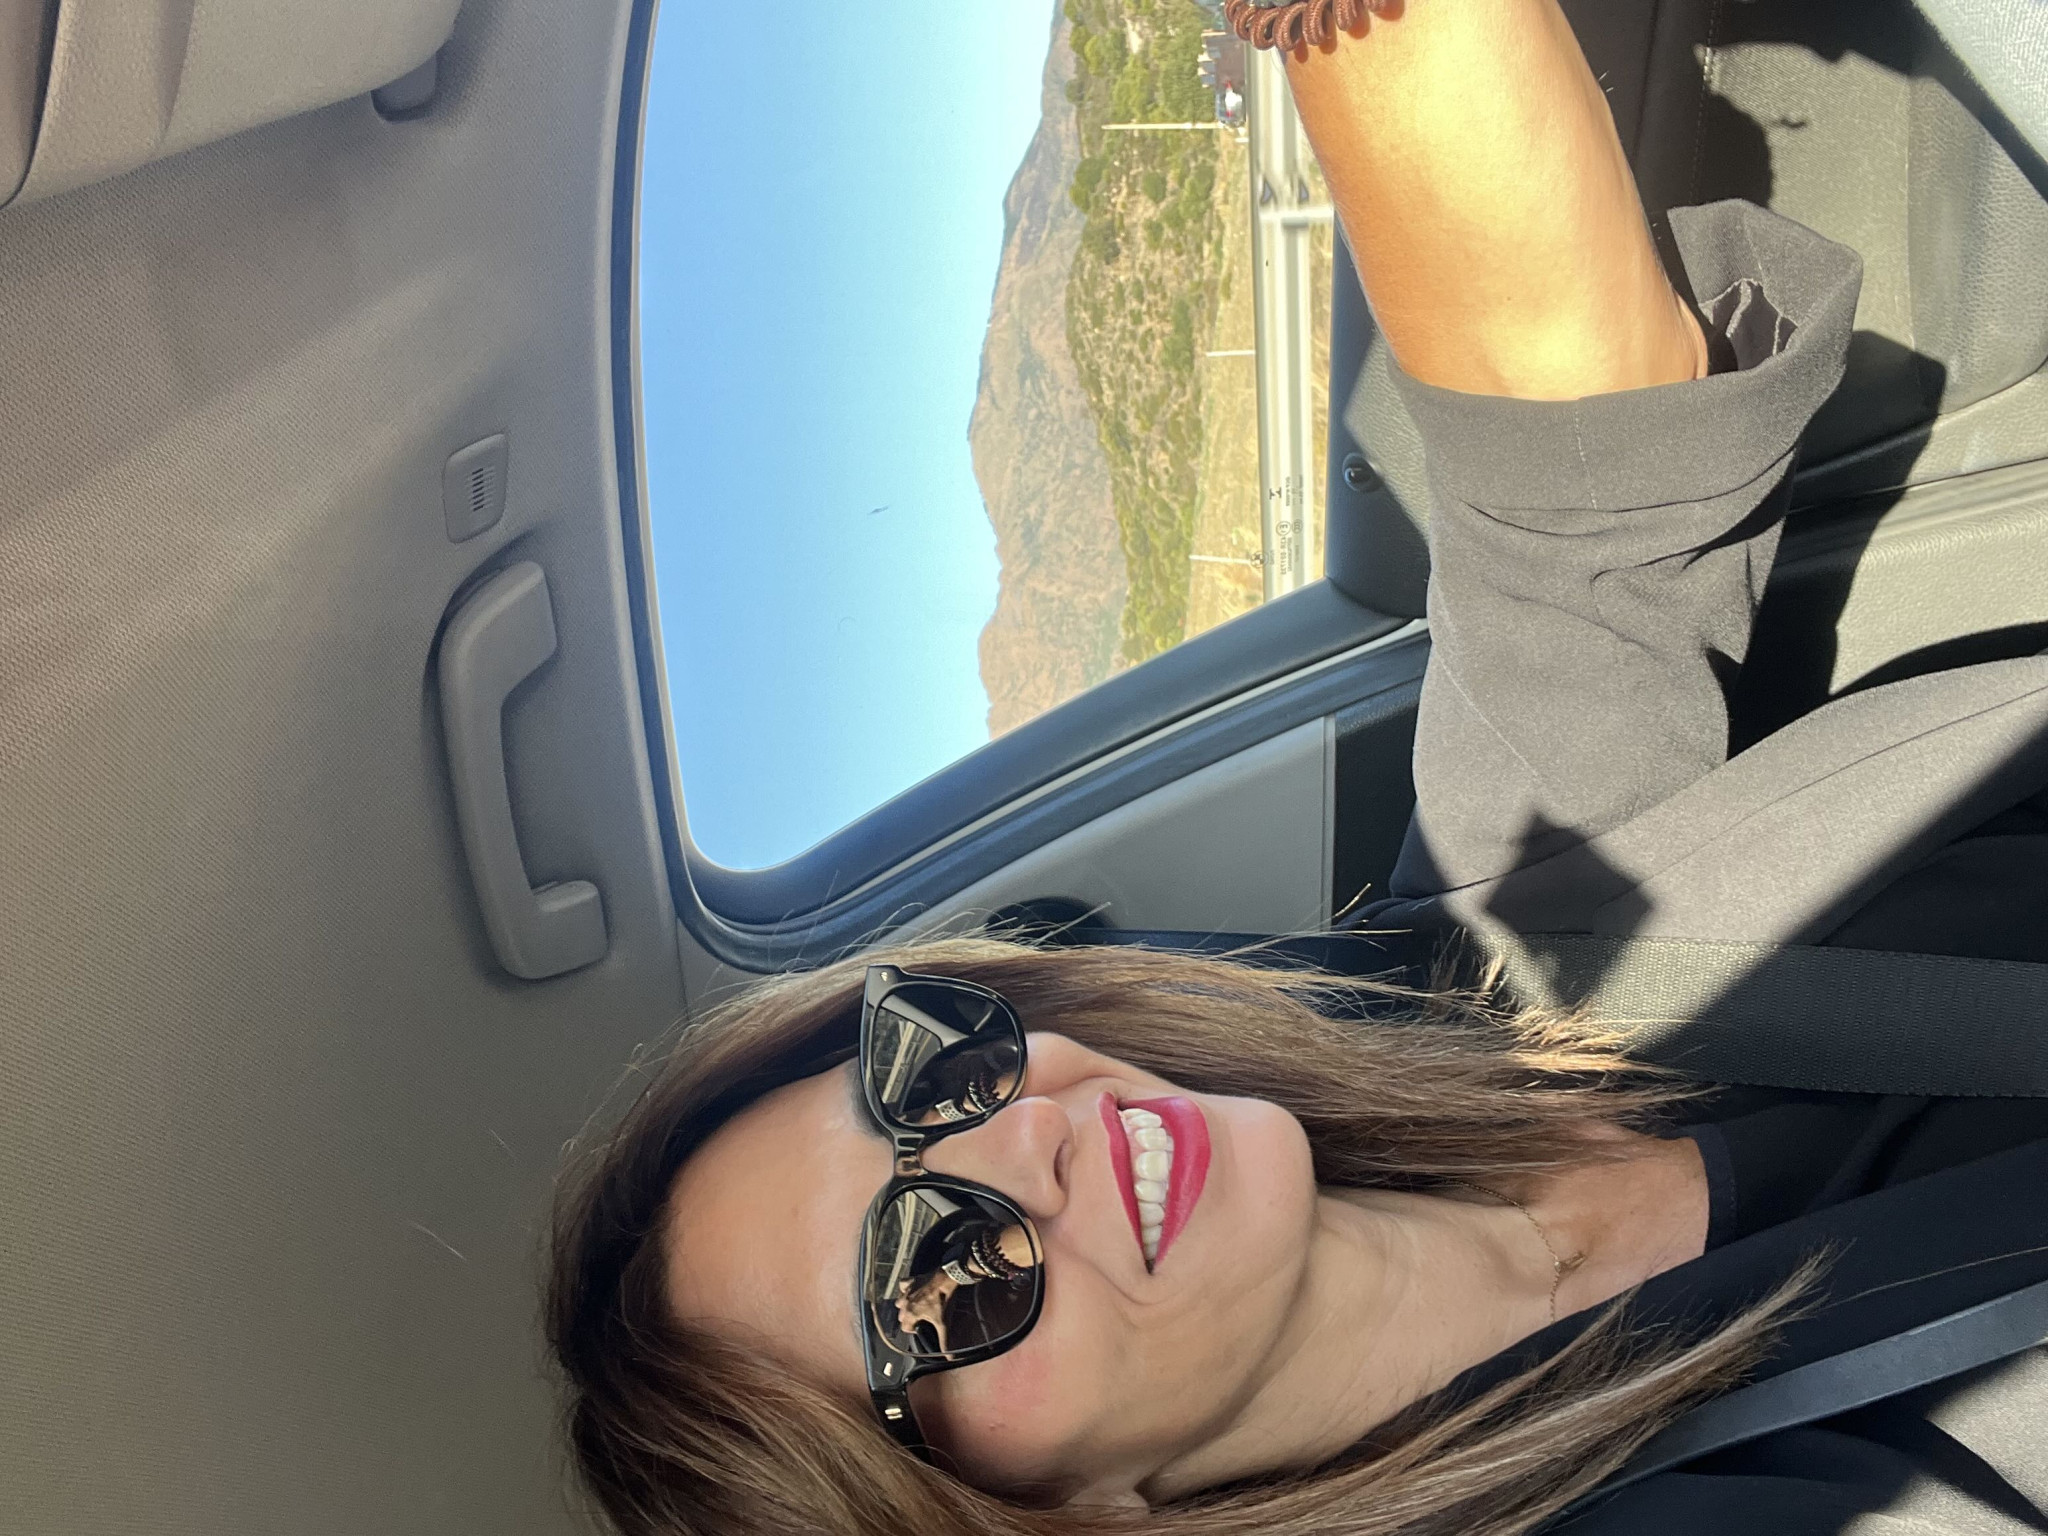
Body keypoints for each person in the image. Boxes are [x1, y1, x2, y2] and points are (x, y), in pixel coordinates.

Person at [548, 3, 2048, 1533]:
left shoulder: (1495, 957)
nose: (1019, 1133)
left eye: (924, 1068)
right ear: (1051, 1515)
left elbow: (1573, 443)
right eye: (935, 1279)